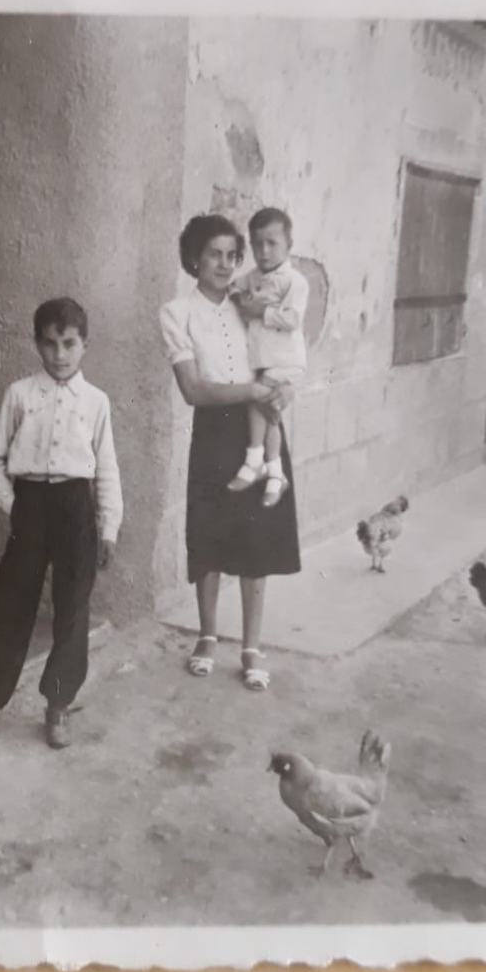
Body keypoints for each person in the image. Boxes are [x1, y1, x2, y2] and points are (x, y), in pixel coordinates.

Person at [0, 297, 122, 751]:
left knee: (72, 610)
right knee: (11, 608)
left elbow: (108, 469)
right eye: (50, 344)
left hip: (77, 510)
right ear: (37, 344)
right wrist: (14, 505)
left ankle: (58, 707)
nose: (60, 355)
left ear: (84, 345)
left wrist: (109, 527)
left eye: (69, 344)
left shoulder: (96, 402)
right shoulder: (20, 395)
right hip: (31, 506)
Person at [160, 213, 303, 692]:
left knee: (257, 535)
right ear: (194, 258)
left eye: (231, 255)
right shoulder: (177, 313)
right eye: (213, 254)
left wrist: (284, 392)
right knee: (209, 532)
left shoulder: (250, 300)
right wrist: (255, 392)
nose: (224, 264)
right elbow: (194, 391)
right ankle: (206, 635)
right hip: (216, 427)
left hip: (260, 426)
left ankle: (251, 645)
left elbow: (285, 347)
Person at [227, 207, 310, 508]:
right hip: (266, 360)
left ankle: (254, 461)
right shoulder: (253, 277)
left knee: (258, 405)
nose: (263, 251)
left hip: (286, 360)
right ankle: (275, 473)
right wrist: (239, 298)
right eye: (257, 243)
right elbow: (234, 287)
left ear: (288, 244)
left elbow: (292, 319)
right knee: (269, 414)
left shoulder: (295, 281)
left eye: (272, 243)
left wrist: (260, 311)